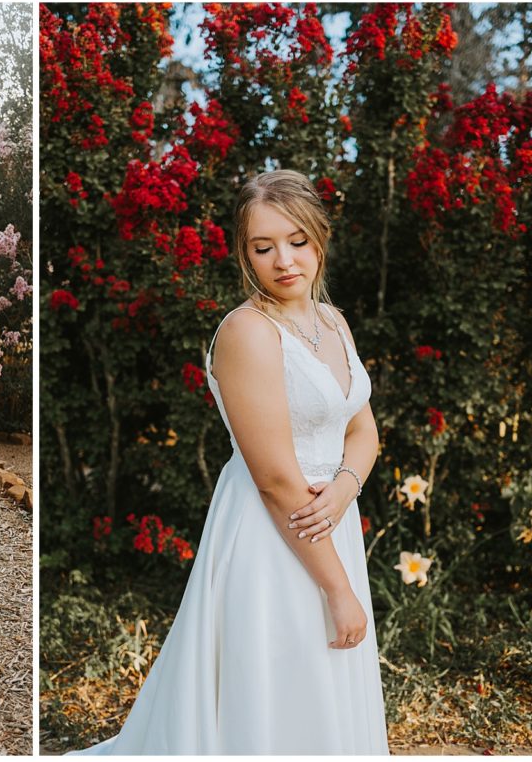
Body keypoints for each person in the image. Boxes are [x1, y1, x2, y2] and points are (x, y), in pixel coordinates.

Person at [67, 170, 389, 754]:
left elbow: (363, 428)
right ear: (244, 254)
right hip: (274, 531)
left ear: (319, 238)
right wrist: (338, 589)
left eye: (296, 241)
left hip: (328, 520)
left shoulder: (332, 321)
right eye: (262, 247)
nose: (283, 260)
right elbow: (273, 478)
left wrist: (343, 491)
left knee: (326, 681)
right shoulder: (248, 331)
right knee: (277, 680)